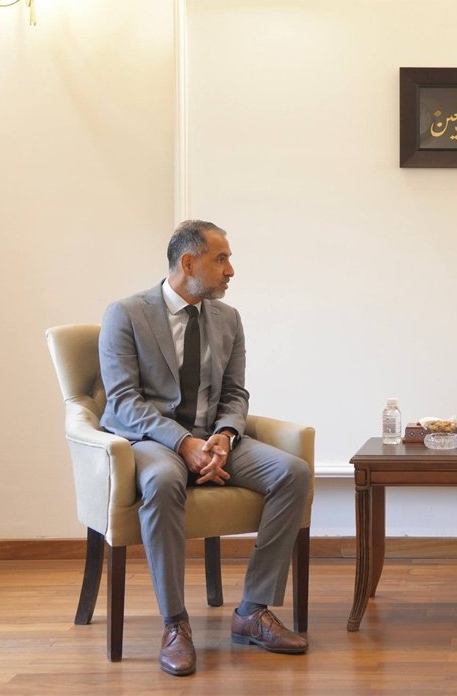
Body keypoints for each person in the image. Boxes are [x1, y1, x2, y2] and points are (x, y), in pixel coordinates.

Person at [99, 220, 312, 676]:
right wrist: (183, 442)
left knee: (292, 472)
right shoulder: (126, 314)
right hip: (152, 440)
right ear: (188, 262)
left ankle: (252, 611)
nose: (230, 270)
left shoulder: (228, 318)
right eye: (222, 259)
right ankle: (175, 624)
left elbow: (235, 393)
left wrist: (225, 437)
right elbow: (123, 401)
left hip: (213, 438)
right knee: (162, 480)